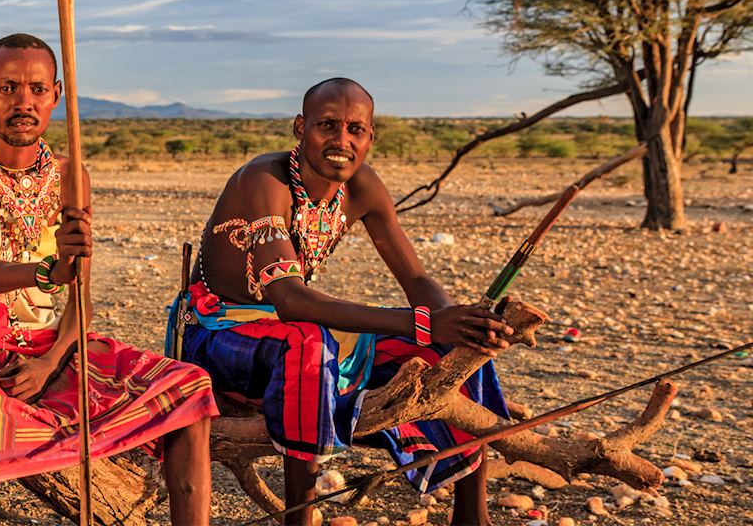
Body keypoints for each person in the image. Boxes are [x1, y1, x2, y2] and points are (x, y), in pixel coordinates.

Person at [0, 33, 218, 525]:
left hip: (43, 341)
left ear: (56, 94)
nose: (23, 102)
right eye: (8, 88)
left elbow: (82, 299)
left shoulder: (71, 175)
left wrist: (54, 359)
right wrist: (49, 271)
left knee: (187, 385)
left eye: (36, 89)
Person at [171, 78, 514, 526]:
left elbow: (415, 278)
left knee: (455, 348)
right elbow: (291, 299)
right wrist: (428, 322)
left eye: (356, 129)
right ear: (300, 127)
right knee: (308, 345)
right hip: (217, 333)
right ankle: (301, 517)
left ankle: (472, 515)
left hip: (288, 327)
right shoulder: (264, 179)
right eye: (327, 125)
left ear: (371, 137)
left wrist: (459, 325)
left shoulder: (363, 188)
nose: (341, 140)